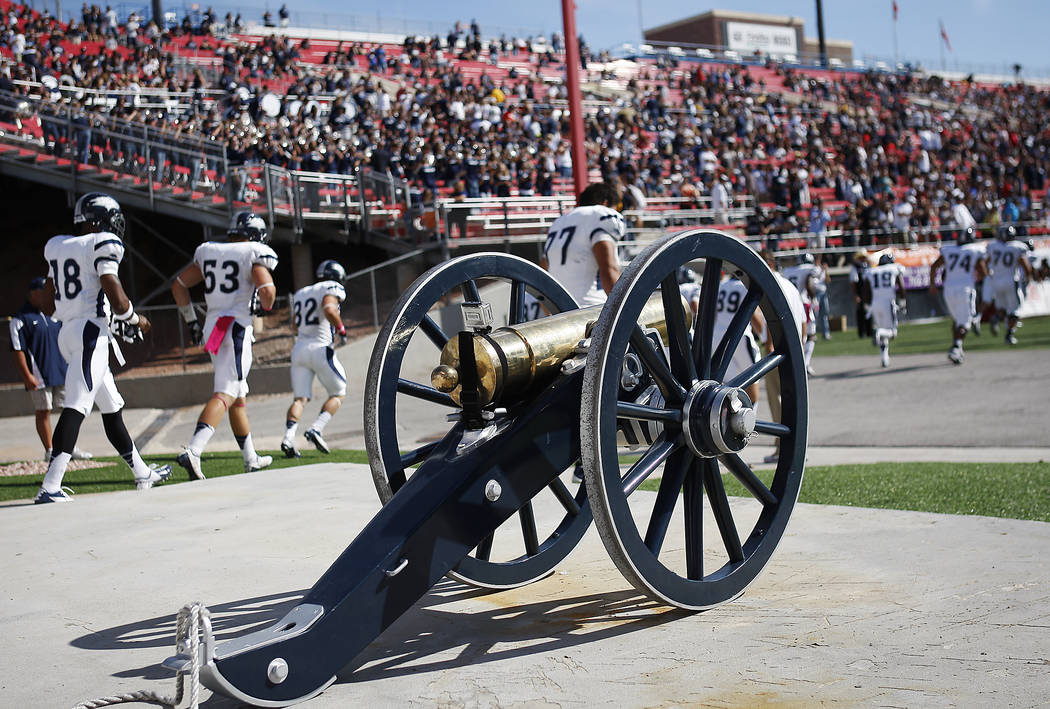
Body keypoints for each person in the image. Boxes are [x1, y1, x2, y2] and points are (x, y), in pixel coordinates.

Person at [34, 193, 171, 503]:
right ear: (99, 220)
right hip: (89, 335)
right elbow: (115, 293)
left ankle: (141, 472)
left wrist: (74, 314)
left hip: (69, 333)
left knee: (111, 407)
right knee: (77, 406)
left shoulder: (58, 245)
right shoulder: (101, 244)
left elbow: (46, 301)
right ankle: (50, 485)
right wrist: (134, 318)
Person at [172, 212, 279, 479]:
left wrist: (191, 322)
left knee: (237, 396)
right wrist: (263, 305)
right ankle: (194, 450)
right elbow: (267, 291)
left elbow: (179, 285)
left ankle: (250, 457)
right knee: (227, 392)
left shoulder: (210, 251)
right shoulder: (252, 252)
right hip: (235, 328)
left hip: (215, 327)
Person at [9, 277, 92, 461]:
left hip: (62, 371)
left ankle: (68, 447)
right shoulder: (20, 319)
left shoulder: (54, 315)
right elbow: (18, 350)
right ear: (33, 293)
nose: (47, 296)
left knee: (70, 410)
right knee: (43, 411)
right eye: (43, 293)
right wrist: (27, 375)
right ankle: (50, 450)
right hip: (39, 374)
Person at [281, 260, 349, 458]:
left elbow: (294, 325)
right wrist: (341, 329)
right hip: (320, 348)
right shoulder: (331, 287)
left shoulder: (302, 292)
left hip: (299, 349)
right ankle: (316, 429)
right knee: (339, 393)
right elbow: (329, 309)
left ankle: (288, 438)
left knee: (300, 399)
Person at [541, 181, 625, 306]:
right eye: (617, 207)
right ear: (605, 203)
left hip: (559, 314)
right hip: (593, 309)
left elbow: (543, 272)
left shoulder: (558, 223)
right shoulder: (601, 214)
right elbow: (609, 269)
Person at [759, 250, 806, 464]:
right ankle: (797, 447)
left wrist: (769, 345)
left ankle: (782, 449)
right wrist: (801, 347)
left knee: (777, 401)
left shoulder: (771, 285)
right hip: (794, 348)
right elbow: (804, 321)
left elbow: (773, 317)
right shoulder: (791, 286)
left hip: (777, 349)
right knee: (793, 400)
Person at [929, 227, 988, 365]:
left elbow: (934, 267)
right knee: (966, 322)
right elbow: (983, 272)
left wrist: (932, 285)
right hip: (965, 289)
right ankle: (956, 347)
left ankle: (958, 348)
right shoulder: (975, 250)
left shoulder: (949, 250)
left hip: (948, 289)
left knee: (957, 320)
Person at [712, 269, 766, 407]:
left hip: (717, 336)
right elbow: (752, 313)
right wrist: (763, 335)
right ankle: (748, 419)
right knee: (752, 382)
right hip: (739, 337)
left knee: (727, 382)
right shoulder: (744, 287)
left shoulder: (721, 286)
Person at [985, 226, 1036, 345]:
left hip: (996, 280)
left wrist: (989, 274)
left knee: (1002, 308)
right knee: (1016, 311)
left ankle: (996, 318)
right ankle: (1009, 335)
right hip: (1011, 280)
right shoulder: (1017, 246)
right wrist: (1029, 276)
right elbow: (1025, 265)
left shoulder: (993, 246)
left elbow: (985, 262)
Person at [863, 253, 906, 367]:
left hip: (875, 303)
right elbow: (901, 285)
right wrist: (902, 302)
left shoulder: (871, 271)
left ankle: (884, 358)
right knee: (891, 333)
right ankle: (879, 332)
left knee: (883, 334)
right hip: (888, 303)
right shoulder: (894, 268)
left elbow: (866, 290)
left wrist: (867, 305)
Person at [781, 253, 819, 375]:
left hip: (789, 304)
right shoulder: (808, 269)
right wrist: (813, 298)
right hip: (803, 304)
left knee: (793, 335)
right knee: (810, 335)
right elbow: (810, 282)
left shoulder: (787, 271)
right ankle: (805, 363)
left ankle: (796, 364)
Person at [849, 250, 874, 340]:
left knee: (869, 311)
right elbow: (853, 282)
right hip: (860, 292)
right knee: (861, 313)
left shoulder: (868, 266)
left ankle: (869, 331)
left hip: (868, 293)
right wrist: (856, 295)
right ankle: (861, 332)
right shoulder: (855, 267)